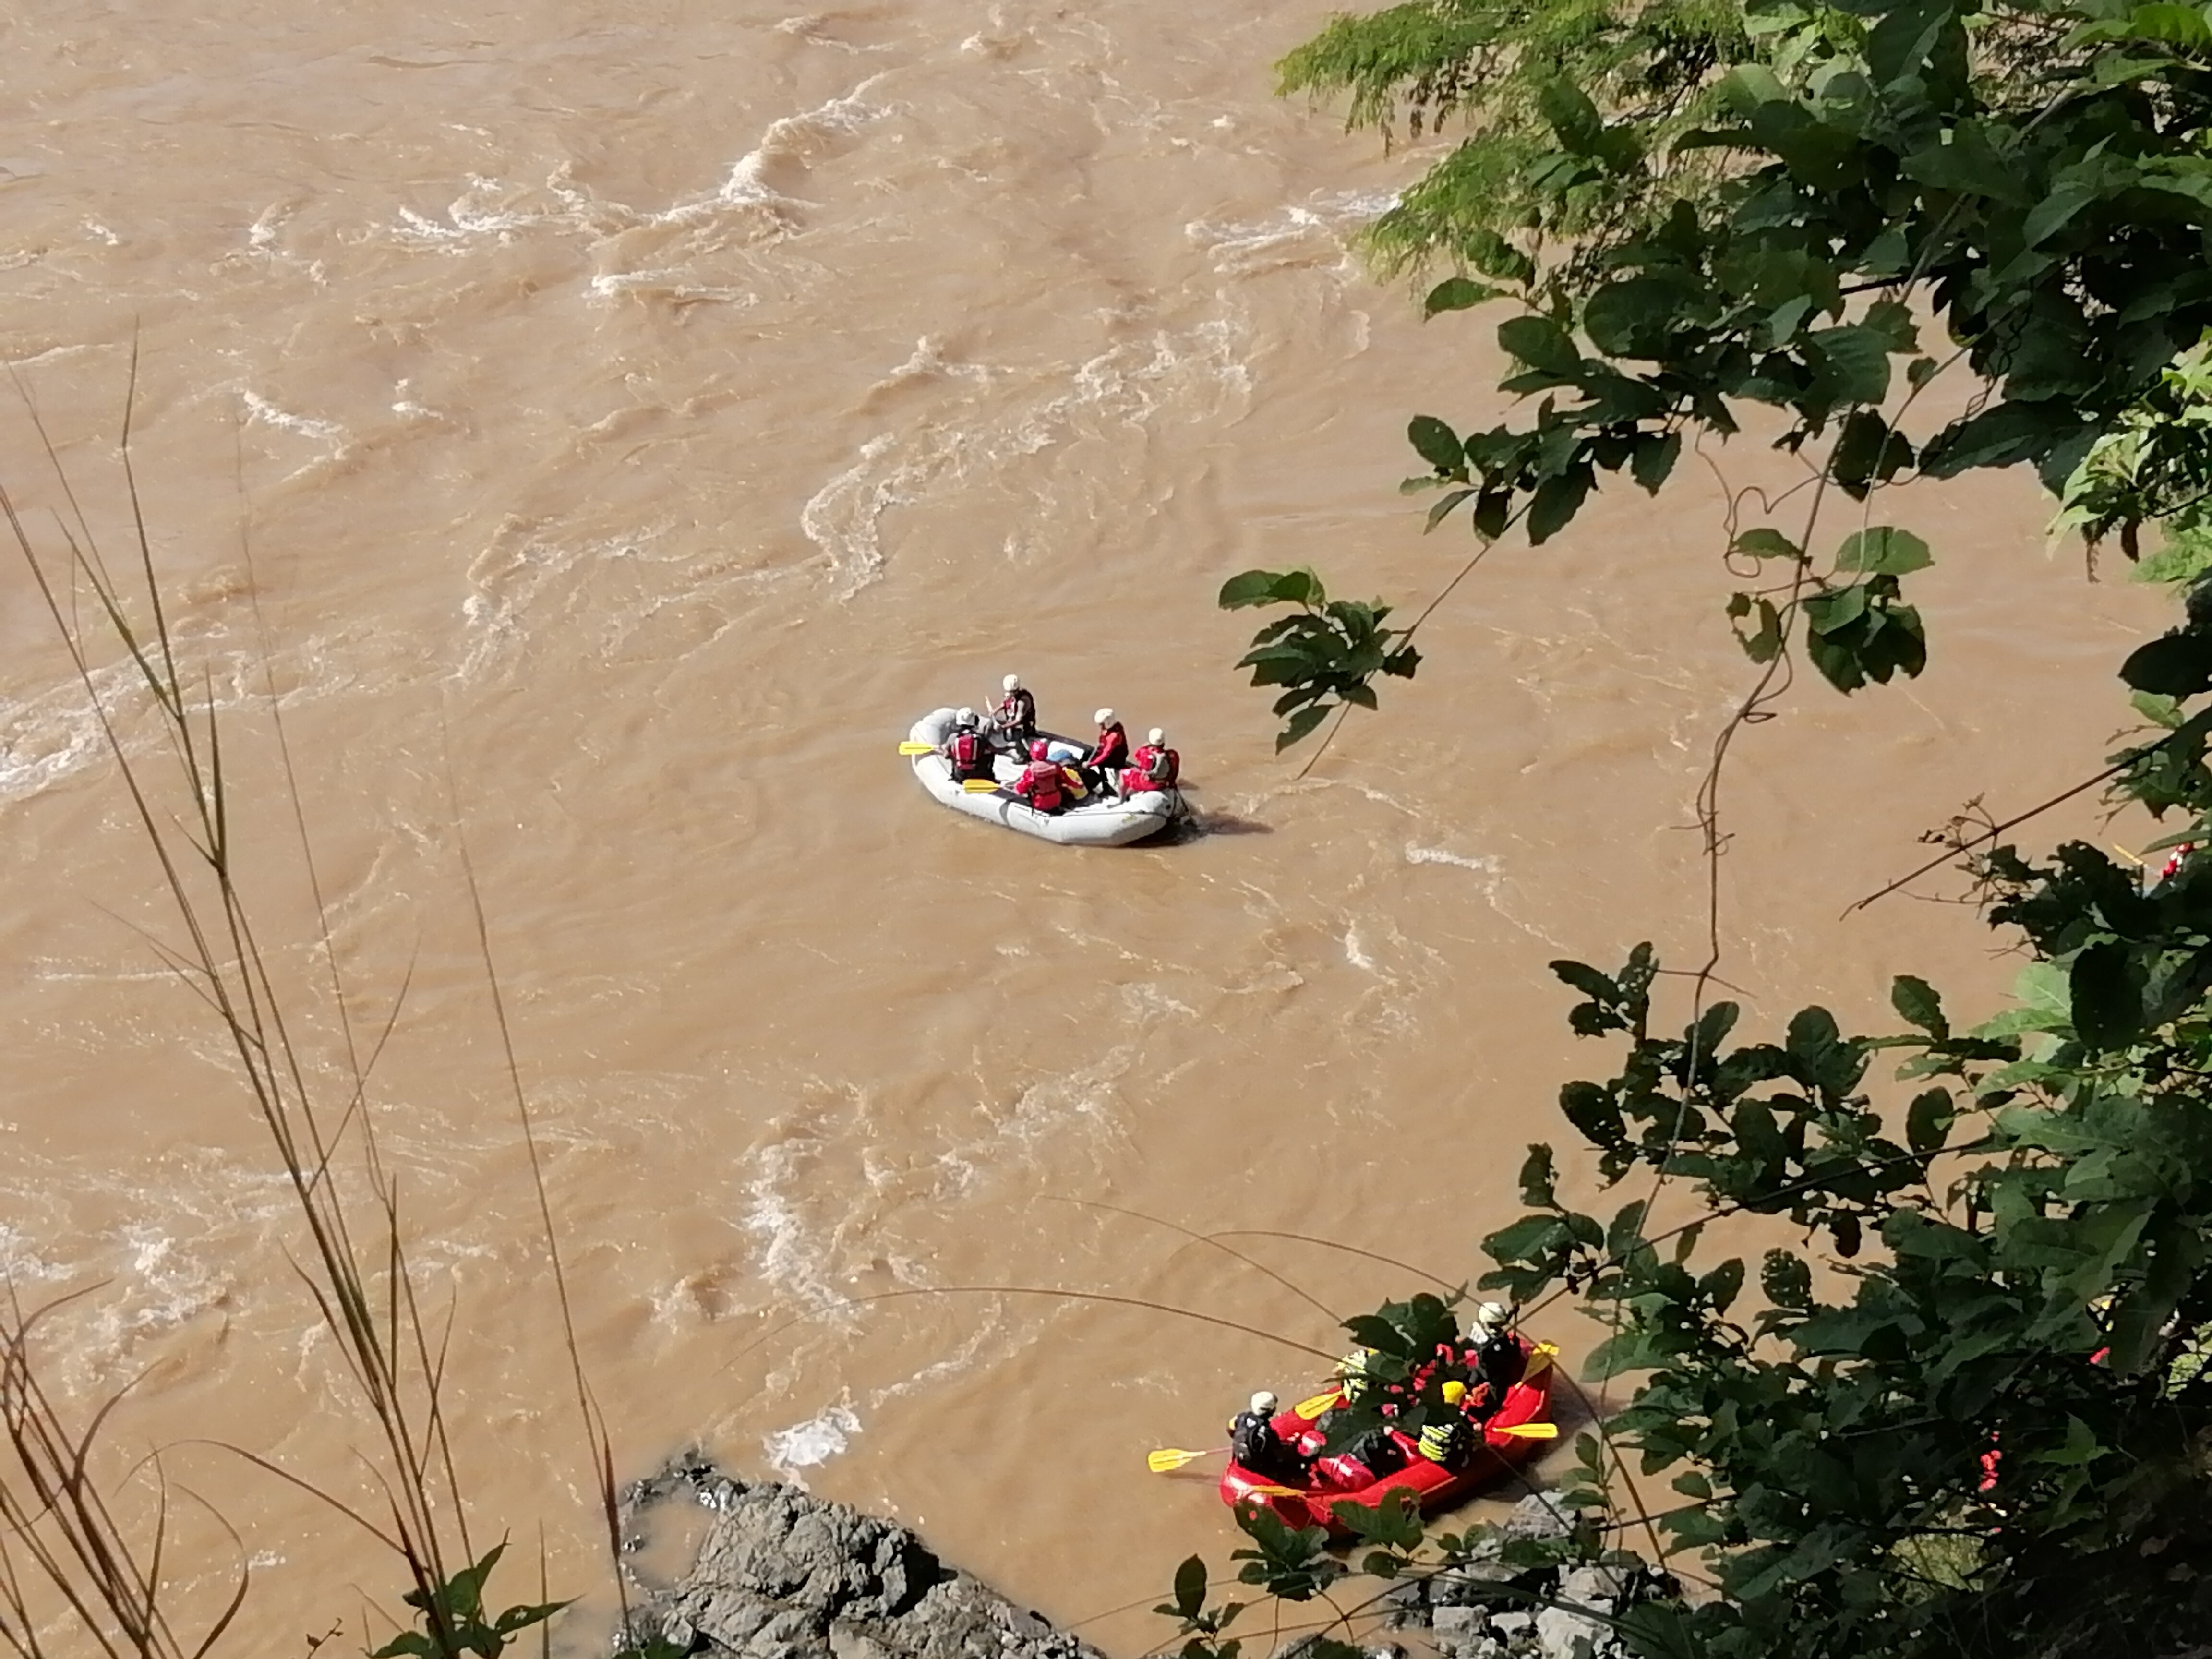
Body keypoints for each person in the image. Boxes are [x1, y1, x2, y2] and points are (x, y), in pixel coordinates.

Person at [1228, 1391, 1307, 1483]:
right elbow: (1279, 1452)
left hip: (1242, 1459)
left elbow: (1230, 1429)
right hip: (1258, 1466)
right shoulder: (1265, 1432)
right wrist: (1295, 1448)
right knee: (1297, 1458)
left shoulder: (1241, 1417)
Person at [1467, 1303, 1524, 1419]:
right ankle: (1483, 1414)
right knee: (1497, 1398)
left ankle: (1468, 1386)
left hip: (1478, 1365)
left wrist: (1512, 1312)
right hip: (1492, 1371)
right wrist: (1515, 1347)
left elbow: (1500, 1321)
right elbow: (1508, 1359)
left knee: (1473, 1378)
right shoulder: (1493, 1344)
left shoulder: (1477, 1326)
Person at [1417, 1382, 1474, 1471]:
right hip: (1444, 1461)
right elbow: (1470, 1433)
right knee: (1468, 1441)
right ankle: (1464, 1463)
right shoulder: (1456, 1426)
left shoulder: (1431, 1412)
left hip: (1424, 1451)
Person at [1079, 708, 1129, 793]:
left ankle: (1106, 786)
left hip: (1117, 758)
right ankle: (1081, 768)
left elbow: (1105, 755)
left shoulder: (1114, 736)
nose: (1100, 727)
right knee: (1088, 752)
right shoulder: (1115, 726)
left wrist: (1090, 764)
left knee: (1101, 764)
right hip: (1112, 750)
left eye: (1102, 724)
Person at [938, 708, 991, 783]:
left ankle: (954, 777)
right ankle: (990, 776)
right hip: (979, 774)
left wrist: (944, 750)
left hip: (960, 776)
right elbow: (989, 750)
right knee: (989, 754)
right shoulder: (981, 738)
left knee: (953, 754)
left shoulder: (953, 737)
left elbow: (946, 756)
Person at [1013, 740, 1067, 814]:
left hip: (1040, 802)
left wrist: (1016, 788)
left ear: (1033, 754)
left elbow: (1021, 789)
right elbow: (1064, 779)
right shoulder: (1055, 766)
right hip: (1056, 799)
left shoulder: (1031, 771)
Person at [1123, 726, 1180, 795]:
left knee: (1126, 775)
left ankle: (1124, 797)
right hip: (1166, 783)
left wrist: (1147, 745)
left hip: (1152, 785)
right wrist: (1171, 783)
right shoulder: (1173, 754)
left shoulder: (1145, 754)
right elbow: (1175, 771)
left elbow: (1137, 755)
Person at [991, 674, 1036, 749]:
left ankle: (1022, 753)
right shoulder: (1011, 695)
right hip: (1011, 721)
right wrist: (996, 710)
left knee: (1015, 737)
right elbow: (1005, 704)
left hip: (1023, 728)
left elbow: (1018, 721)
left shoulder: (1023, 701)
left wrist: (1003, 727)